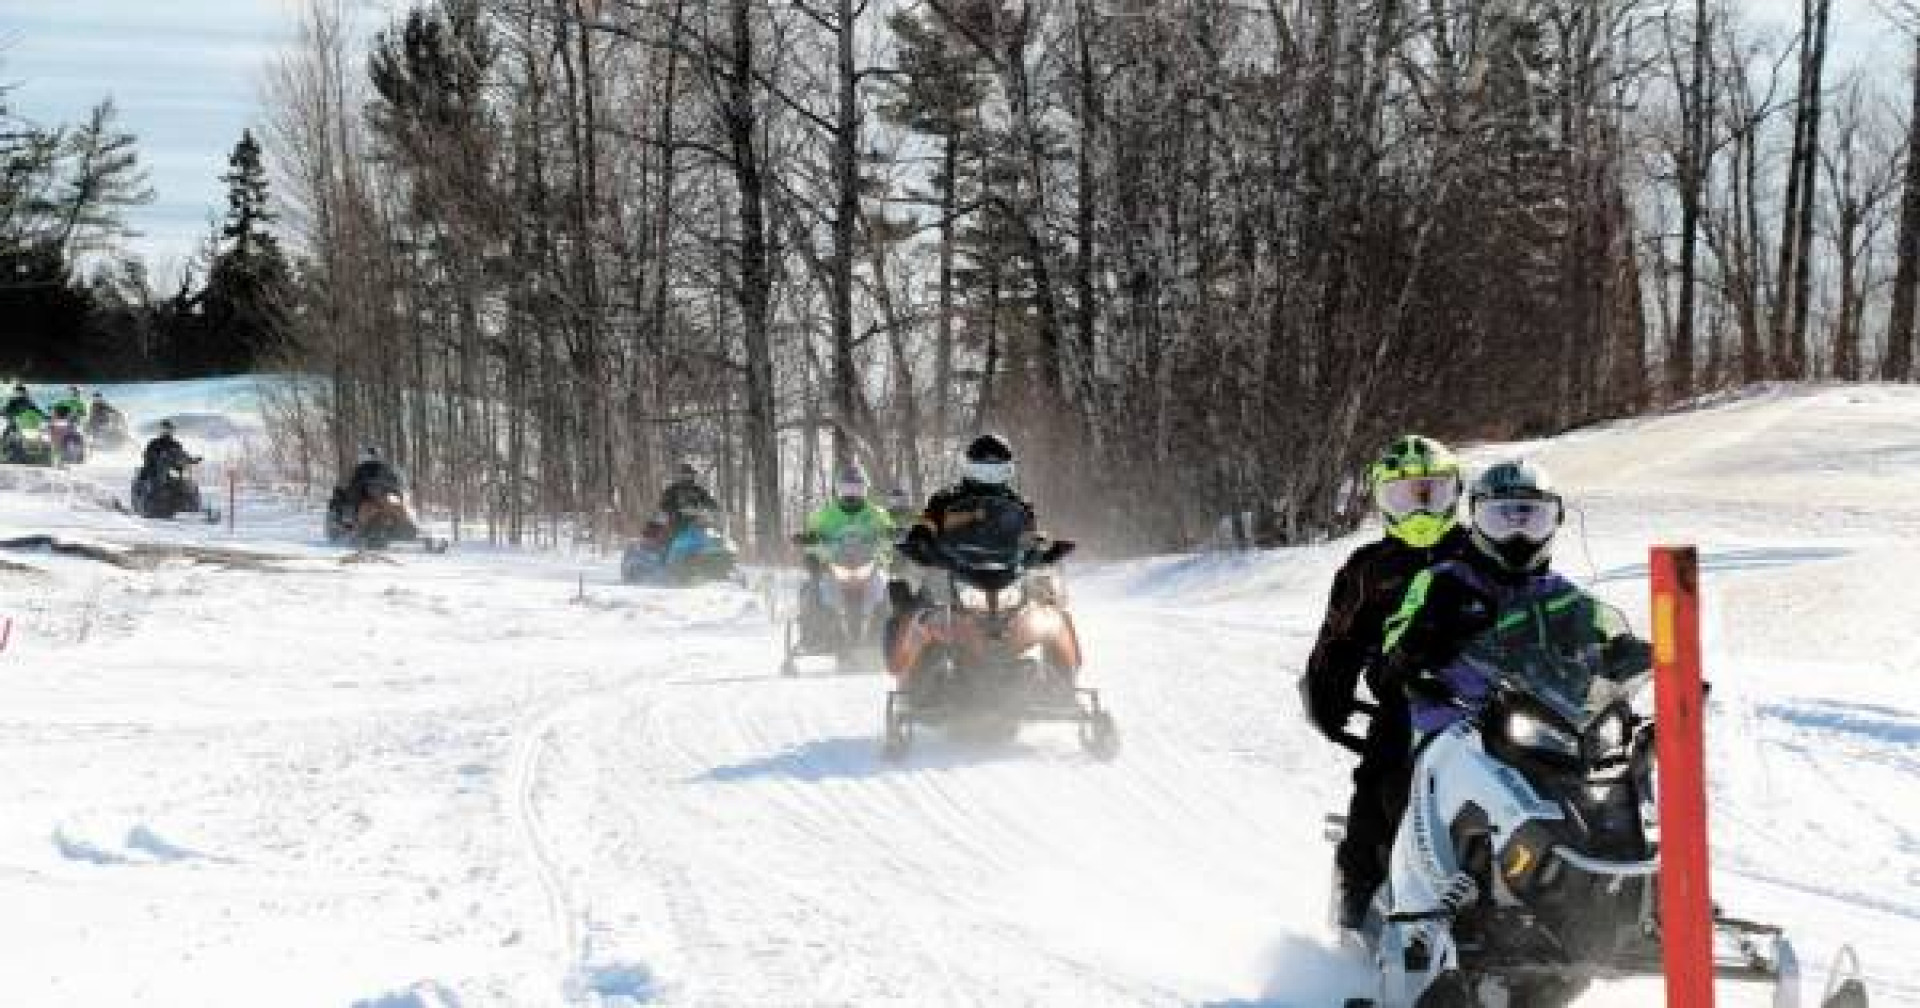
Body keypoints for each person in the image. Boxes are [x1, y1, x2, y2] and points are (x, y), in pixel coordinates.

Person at [1304, 434, 1471, 930]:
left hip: (1485, 699)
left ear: (1454, 494)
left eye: (1431, 493)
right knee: (1381, 777)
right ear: (1382, 500)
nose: (1420, 507)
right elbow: (1338, 639)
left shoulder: (1478, 551)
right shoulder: (1367, 570)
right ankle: (1359, 890)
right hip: (1405, 702)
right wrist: (1328, 696)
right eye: (1405, 495)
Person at [887, 434, 1038, 650]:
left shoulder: (1019, 503)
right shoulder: (946, 498)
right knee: (918, 607)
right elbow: (928, 523)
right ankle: (909, 665)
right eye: (984, 470)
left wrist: (1038, 545)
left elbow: (1029, 534)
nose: (990, 477)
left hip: (1006, 574)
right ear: (969, 468)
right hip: (954, 570)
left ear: (1008, 470)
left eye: (997, 470)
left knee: (1045, 609)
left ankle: (1060, 671)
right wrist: (920, 537)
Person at [796, 464, 895, 647]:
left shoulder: (877, 513)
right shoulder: (824, 515)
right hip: (835, 565)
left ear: (865, 490)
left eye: (857, 489)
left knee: (887, 591)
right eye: (847, 489)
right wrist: (808, 539)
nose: (852, 494)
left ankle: (889, 636)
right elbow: (812, 533)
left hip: (870, 565)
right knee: (815, 590)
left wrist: (892, 534)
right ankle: (813, 634)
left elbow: (889, 530)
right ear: (839, 490)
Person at [657, 462, 720, 536]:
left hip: (695, 524)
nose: (687, 477)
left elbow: (710, 503)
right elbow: (663, 506)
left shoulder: (698, 491)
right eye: (685, 475)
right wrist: (677, 510)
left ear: (693, 476)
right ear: (680, 477)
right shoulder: (672, 491)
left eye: (689, 475)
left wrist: (714, 511)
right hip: (677, 524)